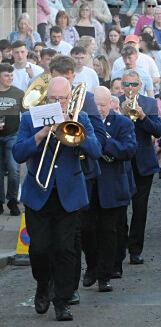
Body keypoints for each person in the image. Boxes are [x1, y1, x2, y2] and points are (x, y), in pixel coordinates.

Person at [13, 76, 101, 321]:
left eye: (62, 98)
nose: (58, 102)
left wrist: (75, 133)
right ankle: (43, 285)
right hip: (37, 194)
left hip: (69, 195)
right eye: (53, 98)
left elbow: (96, 151)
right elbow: (18, 153)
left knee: (65, 249)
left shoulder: (80, 118)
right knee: (39, 249)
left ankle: (61, 301)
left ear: (70, 98)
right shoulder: (31, 118)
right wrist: (41, 134)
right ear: (46, 98)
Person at [81, 86, 136, 293]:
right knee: (86, 230)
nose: (99, 109)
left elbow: (129, 150)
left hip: (112, 185)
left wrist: (105, 142)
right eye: (95, 105)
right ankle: (92, 267)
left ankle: (104, 275)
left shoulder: (123, 123)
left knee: (109, 232)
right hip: (89, 185)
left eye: (103, 105)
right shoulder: (83, 121)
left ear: (111, 104)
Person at [117, 70, 161, 266]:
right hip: (121, 163)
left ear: (140, 86)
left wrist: (142, 116)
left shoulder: (150, 103)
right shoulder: (114, 102)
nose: (129, 89)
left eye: (133, 85)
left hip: (143, 162)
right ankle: (119, 249)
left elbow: (158, 131)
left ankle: (135, 250)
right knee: (118, 208)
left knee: (140, 208)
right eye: (126, 85)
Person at [0, 63, 22, 215]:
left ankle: (13, 200)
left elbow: (27, 114)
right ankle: (0, 201)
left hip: (13, 135)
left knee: (14, 169)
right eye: (6, 75)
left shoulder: (18, 93)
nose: (10, 78)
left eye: (11, 75)